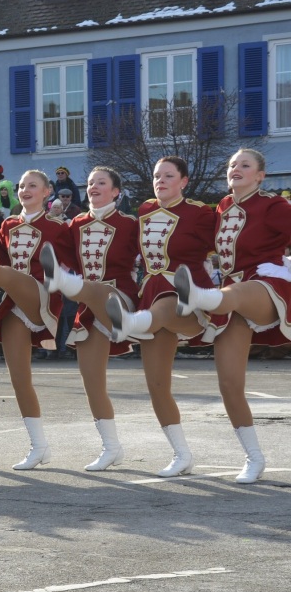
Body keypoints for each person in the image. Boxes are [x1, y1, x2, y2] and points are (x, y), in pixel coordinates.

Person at [172, 149, 291, 483]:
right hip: (227, 296)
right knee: (229, 384)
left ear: (260, 175)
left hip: (264, 286)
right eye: (232, 165)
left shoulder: (273, 205)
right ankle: (254, 458)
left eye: (245, 165)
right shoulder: (223, 207)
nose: (236, 169)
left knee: (233, 293)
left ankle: (195, 297)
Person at [105, 156, 216, 477]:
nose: (161, 180)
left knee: (166, 303)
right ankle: (182, 455)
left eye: (169, 176)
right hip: (150, 294)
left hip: (189, 295)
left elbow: (228, 242)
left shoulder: (199, 213)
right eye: (157, 176)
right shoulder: (144, 211)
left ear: (183, 181)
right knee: (156, 384)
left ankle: (128, 323)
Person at [0, 170, 69, 469]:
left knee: (15, 277)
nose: (24, 190)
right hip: (15, 302)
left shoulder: (58, 226)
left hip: (43, 295)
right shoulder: (8, 224)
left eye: (33, 185)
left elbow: (76, 258)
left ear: (47, 192)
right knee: (19, 378)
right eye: (21, 186)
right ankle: (39, 446)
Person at [40, 166, 140, 470]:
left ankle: (134, 325)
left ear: (116, 192)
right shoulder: (76, 224)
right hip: (88, 304)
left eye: (101, 183)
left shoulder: (130, 223)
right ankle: (111, 448)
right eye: (90, 183)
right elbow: (54, 246)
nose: (94, 186)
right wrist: (53, 220)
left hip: (119, 294)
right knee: (92, 380)